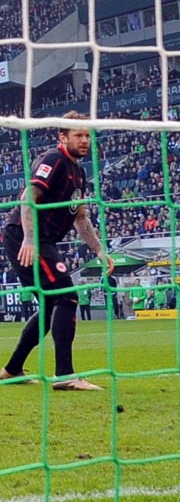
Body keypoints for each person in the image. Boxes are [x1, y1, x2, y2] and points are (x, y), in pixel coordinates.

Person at [0, 111, 114, 391]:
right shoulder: (54, 159)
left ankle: (11, 370)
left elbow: (81, 218)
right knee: (66, 296)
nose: (85, 140)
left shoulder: (79, 172)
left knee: (53, 303)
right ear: (62, 137)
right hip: (27, 237)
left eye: (87, 135)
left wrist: (99, 250)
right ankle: (65, 375)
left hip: (41, 239)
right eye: (78, 135)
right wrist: (29, 238)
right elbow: (28, 197)